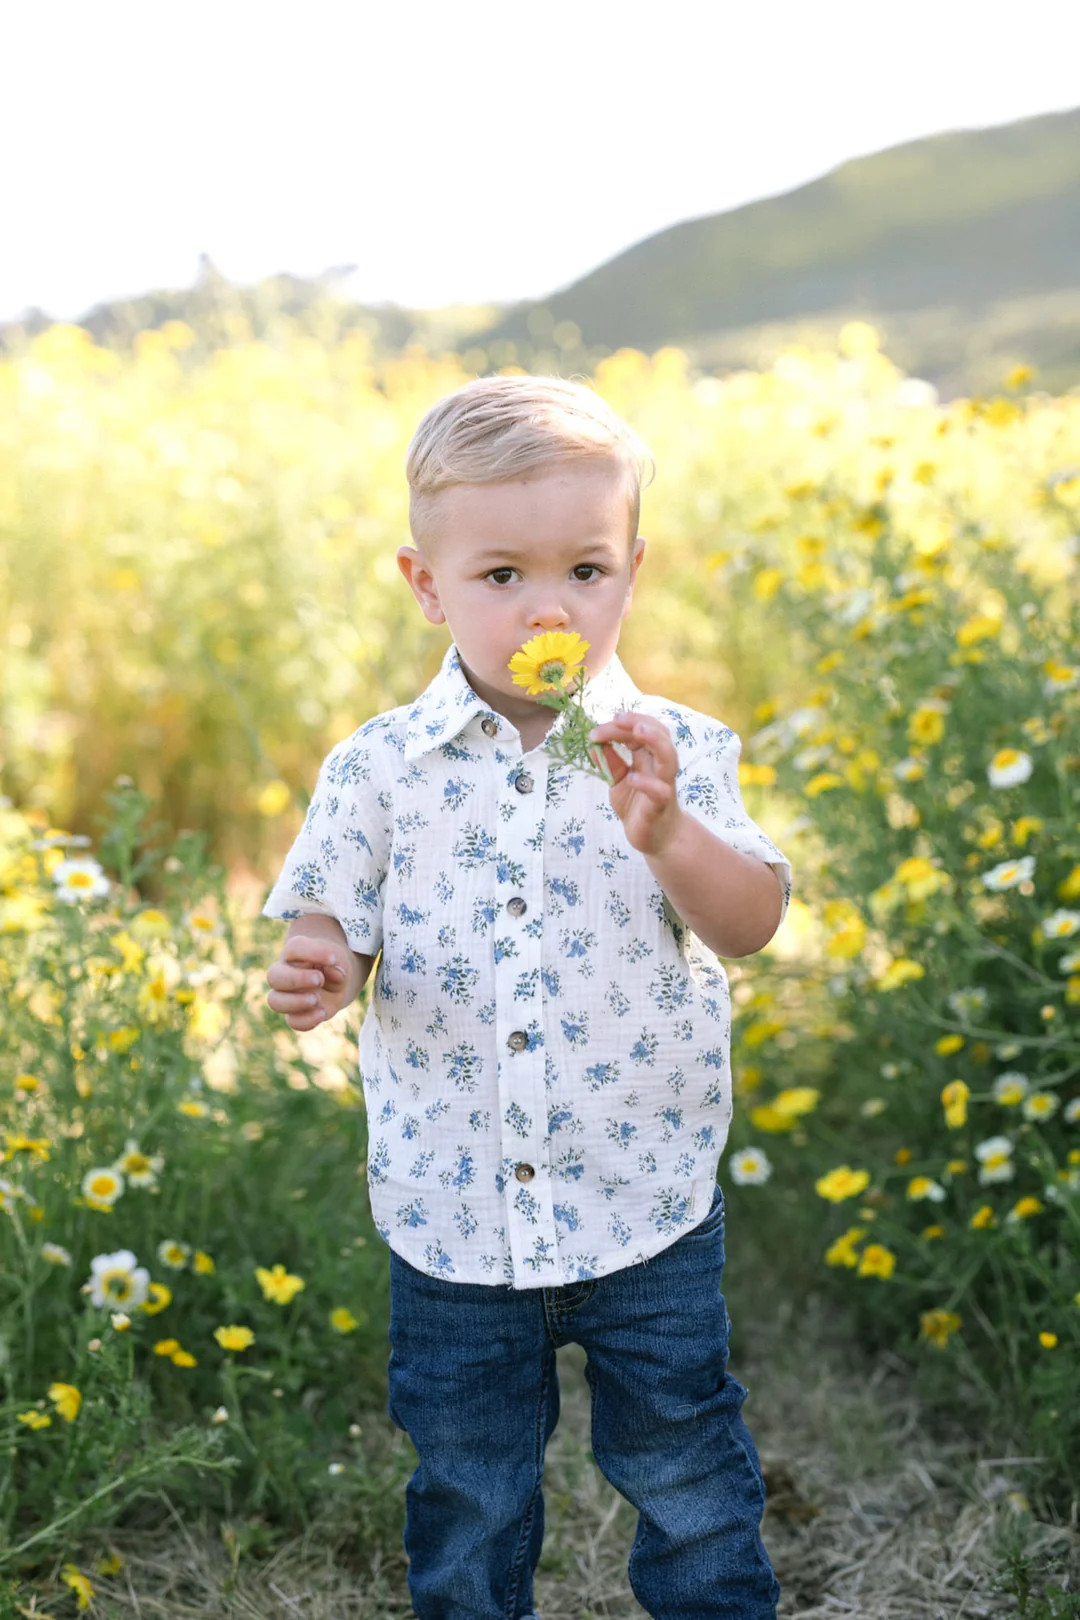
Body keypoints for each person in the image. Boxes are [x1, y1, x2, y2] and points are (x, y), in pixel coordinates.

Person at [262, 373, 792, 1619]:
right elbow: (327, 927)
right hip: (451, 1212)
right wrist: (322, 970)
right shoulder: (379, 768)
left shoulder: (676, 751)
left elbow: (753, 921)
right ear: (426, 584)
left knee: (686, 1468)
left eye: (586, 572)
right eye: (502, 576)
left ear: (631, 569)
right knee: (471, 1486)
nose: (548, 606)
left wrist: (670, 839)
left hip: (641, 1198)